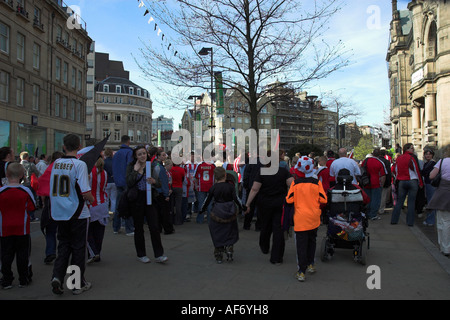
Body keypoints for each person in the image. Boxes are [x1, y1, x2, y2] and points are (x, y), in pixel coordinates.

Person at [50, 134, 95, 295]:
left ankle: (57, 276)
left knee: (63, 246)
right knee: (78, 248)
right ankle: (76, 284)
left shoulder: (56, 163)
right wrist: (92, 199)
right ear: (79, 146)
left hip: (59, 212)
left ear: (64, 146)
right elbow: (85, 191)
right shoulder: (79, 164)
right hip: (77, 213)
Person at [245, 152, 293, 264]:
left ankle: (264, 247)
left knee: (265, 226)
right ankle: (276, 256)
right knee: (279, 229)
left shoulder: (262, 172)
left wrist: (248, 203)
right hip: (280, 203)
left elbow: (254, 189)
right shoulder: (284, 172)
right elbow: (292, 185)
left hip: (264, 203)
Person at [285, 156, 327, 281]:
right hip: (314, 218)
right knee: (312, 242)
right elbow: (324, 199)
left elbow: (289, 199)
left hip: (300, 219)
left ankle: (301, 271)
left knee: (301, 246)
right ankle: (311, 264)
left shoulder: (295, 183)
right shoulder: (317, 183)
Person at [126, 145, 168, 264]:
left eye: (144, 153)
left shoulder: (152, 165)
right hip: (137, 199)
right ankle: (141, 254)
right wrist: (135, 170)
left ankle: (159, 254)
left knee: (154, 226)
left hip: (150, 198)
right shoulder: (131, 166)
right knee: (138, 227)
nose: (142, 156)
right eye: (139, 154)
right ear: (136, 156)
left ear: (147, 154)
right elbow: (128, 182)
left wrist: (154, 182)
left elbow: (159, 183)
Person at [0, 163, 36, 289]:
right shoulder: (26, 191)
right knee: (23, 254)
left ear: (7, 175)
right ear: (22, 175)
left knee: (6, 254)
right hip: (22, 228)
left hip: (4, 228)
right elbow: (32, 207)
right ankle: (23, 279)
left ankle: (7, 280)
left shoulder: (1, 191)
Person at [200, 167, 244, 263]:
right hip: (230, 211)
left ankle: (219, 255)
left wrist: (202, 210)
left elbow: (207, 200)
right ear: (225, 175)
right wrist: (243, 208)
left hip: (217, 212)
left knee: (217, 232)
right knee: (230, 231)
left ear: (215, 177)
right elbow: (237, 199)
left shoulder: (213, 188)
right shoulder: (230, 187)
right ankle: (229, 249)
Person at [37, 151, 64, 265]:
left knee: (50, 230)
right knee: (63, 230)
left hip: (50, 202)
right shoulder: (65, 169)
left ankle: (50, 252)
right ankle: (63, 253)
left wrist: (44, 203)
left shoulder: (49, 170)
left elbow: (42, 185)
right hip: (63, 202)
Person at [390, 143, 423, 226]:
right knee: (411, 202)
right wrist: (420, 182)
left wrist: (397, 180)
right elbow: (416, 170)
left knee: (399, 201)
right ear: (407, 149)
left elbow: (396, 169)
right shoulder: (412, 157)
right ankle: (410, 222)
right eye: (412, 148)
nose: (413, 149)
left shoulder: (399, 157)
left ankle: (394, 220)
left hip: (401, 181)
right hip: (412, 181)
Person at [427, 145, 450, 256]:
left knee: (442, 220)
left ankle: (444, 247)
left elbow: (431, 176)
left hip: (443, 193)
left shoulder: (442, 162)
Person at [87, 157, 109, 263]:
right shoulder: (104, 172)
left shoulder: (89, 173)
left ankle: (93, 252)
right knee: (99, 232)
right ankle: (98, 253)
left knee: (89, 231)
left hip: (91, 205)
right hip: (102, 204)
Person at [112, 135, 134, 235]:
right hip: (126, 182)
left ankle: (116, 228)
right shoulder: (129, 152)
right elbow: (130, 167)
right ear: (128, 141)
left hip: (118, 181)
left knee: (118, 205)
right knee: (128, 205)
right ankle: (129, 228)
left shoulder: (116, 154)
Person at [361, 148, 387, 221]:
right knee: (376, 200)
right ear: (379, 154)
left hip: (366, 182)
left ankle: (367, 213)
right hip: (376, 183)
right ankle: (373, 214)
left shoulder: (365, 161)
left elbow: (361, 170)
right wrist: (382, 184)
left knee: (367, 199)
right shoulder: (380, 162)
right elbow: (383, 175)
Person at [153, 149, 174, 234]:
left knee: (158, 212)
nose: (165, 157)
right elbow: (163, 182)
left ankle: (159, 228)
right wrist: (166, 194)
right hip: (161, 192)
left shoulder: (155, 165)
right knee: (164, 212)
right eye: (163, 155)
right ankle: (167, 229)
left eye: (165, 155)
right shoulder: (160, 167)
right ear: (158, 156)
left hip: (156, 191)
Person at [194, 157, 215, 224]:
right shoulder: (213, 166)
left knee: (201, 203)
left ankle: (200, 219)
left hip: (201, 187)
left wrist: (196, 185)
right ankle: (210, 220)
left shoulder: (200, 165)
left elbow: (196, 177)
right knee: (210, 204)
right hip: (210, 187)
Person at [421, 149, 437, 226]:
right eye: (426, 154)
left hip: (431, 184)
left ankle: (430, 220)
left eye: (429, 154)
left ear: (432, 155)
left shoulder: (432, 163)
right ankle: (429, 219)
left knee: (431, 202)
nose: (427, 155)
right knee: (429, 201)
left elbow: (425, 172)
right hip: (427, 183)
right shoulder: (426, 163)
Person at [170, 160, 186, 225]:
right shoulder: (182, 170)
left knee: (171, 204)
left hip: (172, 187)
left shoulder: (171, 169)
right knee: (178, 205)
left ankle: (171, 219)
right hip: (179, 187)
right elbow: (183, 179)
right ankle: (178, 220)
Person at [378, 148, 393, 215]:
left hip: (376, 181)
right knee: (383, 196)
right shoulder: (386, 162)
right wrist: (389, 181)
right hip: (385, 180)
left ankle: (377, 208)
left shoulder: (377, 161)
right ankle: (381, 209)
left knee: (377, 195)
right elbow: (388, 172)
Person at [103, 148, 117, 216]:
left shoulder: (104, 162)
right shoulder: (114, 161)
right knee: (113, 198)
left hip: (106, 182)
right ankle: (112, 212)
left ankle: (106, 212)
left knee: (106, 198)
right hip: (114, 181)